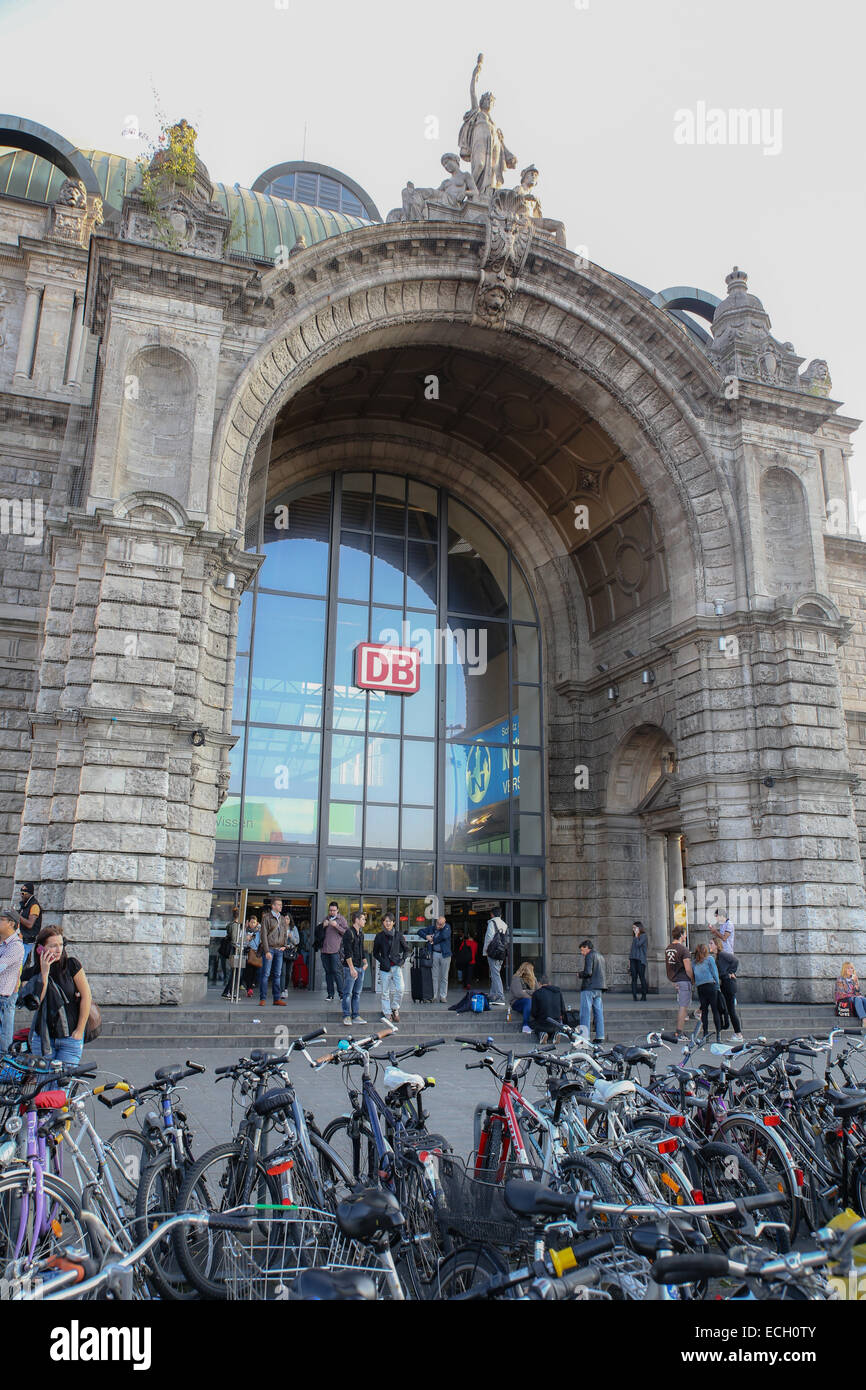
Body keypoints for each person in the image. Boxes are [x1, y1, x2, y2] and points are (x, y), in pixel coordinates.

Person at [19, 924, 91, 1066]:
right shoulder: (30, 973)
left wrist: (79, 1031)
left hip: (70, 1036)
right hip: (43, 1038)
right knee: (44, 1083)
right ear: (40, 948)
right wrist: (44, 974)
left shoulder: (71, 965)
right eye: (53, 946)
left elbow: (86, 996)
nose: (58, 950)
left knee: (63, 1085)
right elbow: (35, 1002)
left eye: (61, 944)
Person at [373, 913, 408, 1028]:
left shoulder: (398, 935)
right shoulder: (379, 936)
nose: (387, 923)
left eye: (389, 921)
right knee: (384, 992)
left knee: (401, 988)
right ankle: (387, 1012)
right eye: (385, 921)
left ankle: (395, 1007)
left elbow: (406, 949)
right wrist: (382, 961)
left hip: (396, 966)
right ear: (383, 923)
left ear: (393, 923)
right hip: (385, 968)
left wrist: (402, 961)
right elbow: (375, 953)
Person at [0, 909, 24, 1055]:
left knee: (4, 1040)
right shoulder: (3, 944)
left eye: (1, 919)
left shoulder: (15, 946)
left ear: (11, 924)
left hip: (4, 997)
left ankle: (4, 1067)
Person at [710, 938, 743, 1041]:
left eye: (711, 943)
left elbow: (735, 960)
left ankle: (738, 1034)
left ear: (716, 945)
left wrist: (730, 972)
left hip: (729, 984)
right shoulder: (717, 957)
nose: (709, 945)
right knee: (727, 1008)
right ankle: (729, 1028)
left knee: (731, 1010)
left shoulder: (722, 955)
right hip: (725, 984)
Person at [664, 924, 694, 1037]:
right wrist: (692, 979)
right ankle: (679, 1032)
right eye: (685, 934)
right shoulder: (683, 949)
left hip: (675, 979)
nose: (685, 936)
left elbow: (669, 966)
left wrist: (673, 981)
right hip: (684, 980)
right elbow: (688, 968)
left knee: (682, 1004)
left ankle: (679, 1030)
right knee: (683, 1006)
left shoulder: (668, 948)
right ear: (681, 935)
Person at [339, 911, 368, 1026]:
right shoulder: (348, 933)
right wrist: (352, 969)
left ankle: (355, 1015)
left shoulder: (361, 934)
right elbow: (347, 953)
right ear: (356, 919)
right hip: (351, 967)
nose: (365, 921)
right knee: (347, 993)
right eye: (363, 919)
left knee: (357, 993)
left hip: (360, 967)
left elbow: (362, 951)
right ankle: (346, 1015)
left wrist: (365, 963)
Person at [259, 898, 287, 1007]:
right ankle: (263, 998)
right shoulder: (266, 918)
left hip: (279, 949)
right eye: (279, 905)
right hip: (269, 948)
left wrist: (284, 944)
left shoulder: (283, 918)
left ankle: (277, 999)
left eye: (281, 905)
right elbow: (263, 935)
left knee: (277, 975)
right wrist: (266, 951)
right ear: (273, 906)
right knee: (265, 974)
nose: (281, 906)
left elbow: (285, 932)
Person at [692, 943, 722, 1044]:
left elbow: (693, 975)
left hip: (701, 988)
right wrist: (718, 986)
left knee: (704, 1011)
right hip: (711, 986)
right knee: (715, 1011)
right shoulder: (710, 959)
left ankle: (705, 1034)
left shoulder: (694, 962)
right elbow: (715, 973)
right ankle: (718, 1035)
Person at [318, 902, 348, 1003]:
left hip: (335, 951)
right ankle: (330, 995)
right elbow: (318, 932)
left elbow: (346, 933)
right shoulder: (325, 918)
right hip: (324, 950)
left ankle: (342, 995)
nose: (332, 912)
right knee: (328, 973)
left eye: (334, 910)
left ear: (337, 910)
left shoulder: (341, 919)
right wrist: (323, 925)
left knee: (337, 972)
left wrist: (336, 926)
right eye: (330, 910)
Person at [578, 939, 606, 1041]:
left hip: (589, 987)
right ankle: (600, 1036)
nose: (582, 953)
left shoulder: (589, 955)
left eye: (582, 950)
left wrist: (580, 974)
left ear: (586, 947)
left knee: (585, 1013)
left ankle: (584, 1037)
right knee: (598, 1013)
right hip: (599, 987)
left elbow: (588, 972)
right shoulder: (601, 956)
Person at [422, 915, 451, 1003]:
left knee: (444, 977)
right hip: (435, 953)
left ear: (444, 924)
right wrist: (426, 936)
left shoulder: (447, 928)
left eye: (440, 924)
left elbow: (444, 936)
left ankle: (443, 996)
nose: (438, 925)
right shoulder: (431, 928)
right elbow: (419, 931)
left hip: (445, 955)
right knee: (434, 976)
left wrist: (433, 940)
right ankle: (434, 996)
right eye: (437, 923)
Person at [528, 974, 566, 1041]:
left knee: (534, 1024)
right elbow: (563, 1009)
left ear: (539, 983)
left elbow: (534, 1012)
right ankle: (555, 1034)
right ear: (549, 983)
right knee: (553, 1026)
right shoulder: (557, 991)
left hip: (543, 1023)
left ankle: (542, 1034)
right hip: (556, 1023)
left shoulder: (536, 993)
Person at [482, 916, 508, 1006]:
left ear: (492, 914)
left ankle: (500, 996)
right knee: (495, 973)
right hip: (501, 952)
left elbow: (489, 937)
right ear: (500, 915)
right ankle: (493, 995)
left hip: (493, 952)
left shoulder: (491, 923)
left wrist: (486, 951)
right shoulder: (504, 924)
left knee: (495, 974)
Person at [16, 881, 42, 966]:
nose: (22, 895)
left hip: (27, 941)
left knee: (18, 966)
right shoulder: (25, 905)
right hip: (21, 939)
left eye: (24, 893)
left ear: (30, 894)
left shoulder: (34, 906)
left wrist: (16, 915)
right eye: (21, 893)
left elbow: (30, 924)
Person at [510, 961, 537, 1033]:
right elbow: (518, 993)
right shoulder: (516, 978)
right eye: (531, 970)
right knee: (528, 1001)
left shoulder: (534, 979)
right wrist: (531, 996)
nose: (532, 972)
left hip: (530, 1002)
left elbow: (538, 992)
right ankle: (525, 1026)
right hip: (517, 1002)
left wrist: (526, 991)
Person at [279, 909, 299, 997]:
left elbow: (297, 941)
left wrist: (291, 937)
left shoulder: (293, 928)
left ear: (290, 920)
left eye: (287, 919)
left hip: (290, 952)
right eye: (284, 919)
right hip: (282, 951)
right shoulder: (280, 927)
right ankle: (282, 990)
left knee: (288, 972)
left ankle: (286, 988)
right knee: (282, 972)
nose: (286, 920)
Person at [629, 921, 648, 1001]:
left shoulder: (643, 936)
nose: (633, 929)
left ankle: (644, 995)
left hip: (640, 960)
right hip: (633, 959)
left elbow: (638, 945)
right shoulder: (634, 937)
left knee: (642, 977)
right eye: (633, 928)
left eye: (635, 928)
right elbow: (632, 950)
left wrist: (636, 935)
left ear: (639, 928)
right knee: (633, 978)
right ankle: (634, 996)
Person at [242, 915, 261, 997]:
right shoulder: (245, 931)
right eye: (251, 922)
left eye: (254, 922)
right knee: (248, 971)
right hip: (248, 953)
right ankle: (248, 988)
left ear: (257, 923)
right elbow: (242, 942)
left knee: (255, 971)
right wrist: (247, 939)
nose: (252, 924)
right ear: (248, 922)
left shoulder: (259, 931)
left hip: (257, 954)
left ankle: (251, 986)